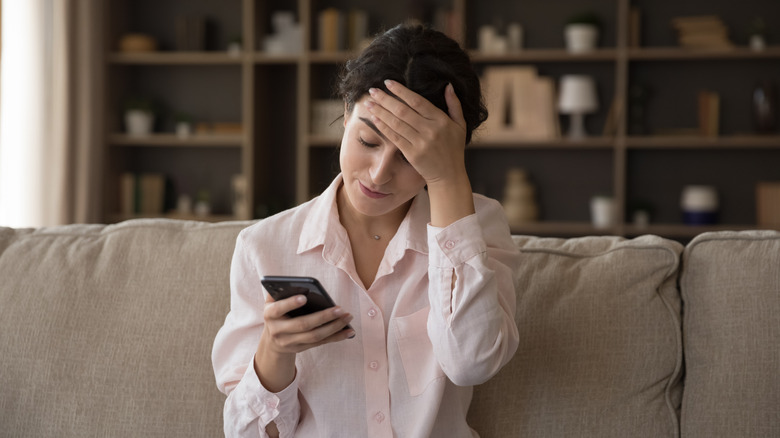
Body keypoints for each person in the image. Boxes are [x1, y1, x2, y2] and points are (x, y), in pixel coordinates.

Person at [212, 23, 520, 438]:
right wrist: (275, 350)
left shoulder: (477, 225)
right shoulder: (264, 246)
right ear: (345, 111)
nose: (378, 175)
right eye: (368, 142)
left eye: (410, 158)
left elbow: (472, 363)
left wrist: (448, 182)